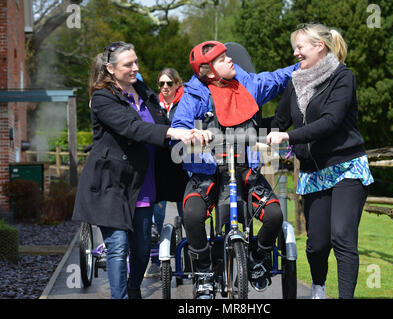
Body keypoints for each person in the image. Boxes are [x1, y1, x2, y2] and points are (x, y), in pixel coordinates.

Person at [171, 40, 298, 297]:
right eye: (222, 59)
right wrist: (190, 134)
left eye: (228, 56)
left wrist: (307, 64)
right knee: (192, 215)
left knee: (275, 216)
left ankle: (257, 257)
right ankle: (204, 273)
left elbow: (279, 77)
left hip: (244, 170)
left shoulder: (248, 84)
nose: (231, 60)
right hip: (207, 172)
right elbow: (180, 125)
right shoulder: (193, 95)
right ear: (208, 71)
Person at [72, 42, 197, 299]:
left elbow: (162, 120)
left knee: (141, 250)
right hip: (112, 184)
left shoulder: (144, 91)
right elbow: (132, 127)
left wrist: (187, 130)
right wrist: (171, 131)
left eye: (136, 62)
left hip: (143, 183)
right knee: (117, 247)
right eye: (128, 64)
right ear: (110, 68)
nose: (135, 68)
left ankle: (132, 288)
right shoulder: (102, 97)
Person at [266, 24, 374, 299]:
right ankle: (318, 289)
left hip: (346, 166)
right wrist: (236, 124)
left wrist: (289, 137)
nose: (295, 52)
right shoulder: (295, 81)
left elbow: (331, 121)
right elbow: (278, 122)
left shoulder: (342, 77)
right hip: (314, 173)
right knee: (316, 245)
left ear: (319, 46)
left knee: (342, 237)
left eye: (300, 47)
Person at [145, 68, 188, 278]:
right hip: (160, 166)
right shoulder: (154, 104)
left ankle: (191, 260)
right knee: (157, 218)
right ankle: (155, 262)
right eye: (161, 83)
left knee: (187, 215)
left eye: (169, 83)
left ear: (177, 84)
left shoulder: (185, 103)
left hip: (182, 166)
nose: (164, 87)